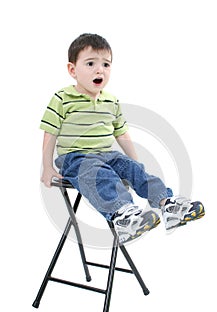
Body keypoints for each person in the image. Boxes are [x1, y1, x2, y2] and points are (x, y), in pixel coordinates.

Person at [40, 33, 205, 244]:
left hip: (108, 155)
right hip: (76, 158)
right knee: (99, 173)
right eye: (90, 63)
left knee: (136, 170)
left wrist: (135, 161)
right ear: (72, 70)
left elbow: (122, 134)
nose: (99, 69)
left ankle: (168, 205)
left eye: (106, 65)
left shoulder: (111, 101)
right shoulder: (62, 98)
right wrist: (47, 167)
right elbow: (50, 131)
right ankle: (124, 216)